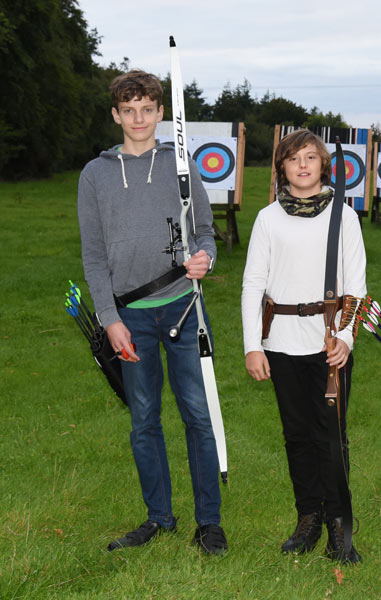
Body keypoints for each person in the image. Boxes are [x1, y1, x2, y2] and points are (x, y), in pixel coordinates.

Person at [78, 70, 227, 555]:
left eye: (147, 109)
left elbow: (204, 230)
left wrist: (206, 257)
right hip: (130, 316)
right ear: (116, 115)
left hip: (183, 306)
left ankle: (209, 522)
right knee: (144, 419)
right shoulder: (95, 174)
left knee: (197, 416)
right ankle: (158, 517)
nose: (138, 118)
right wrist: (109, 318)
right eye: (129, 110)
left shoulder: (180, 166)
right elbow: (94, 255)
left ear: (161, 113)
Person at [241, 130, 367, 564]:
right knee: (296, 434)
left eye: (311, 157)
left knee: (330, 434)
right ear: (281, 167)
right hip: (280, 342)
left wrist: (347, 338)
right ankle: (308, 517)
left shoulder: (343, 217)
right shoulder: (267, 218)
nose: (302, 165)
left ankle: (337, 523)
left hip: (329, 342)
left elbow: (356, 288)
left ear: (323, 165)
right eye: (293, 158)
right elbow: (253, 284)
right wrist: (252, 345)